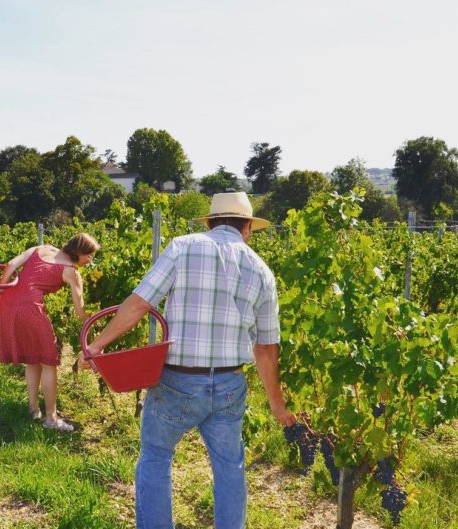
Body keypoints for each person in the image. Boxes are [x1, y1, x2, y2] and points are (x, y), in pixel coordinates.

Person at [79, 192, 296, 528]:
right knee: (230, 467)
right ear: (249, 228)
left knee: (156, 457)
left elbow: (138, 306)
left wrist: (97, 346)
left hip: (176, 381)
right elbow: (267, 349)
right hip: (229, 384)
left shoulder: (183, 247)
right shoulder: (262, 271)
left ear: (209, 222)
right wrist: (277, 405)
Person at [0, 233, 100, 432]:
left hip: (8, 303)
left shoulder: (42, 248)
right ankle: (51, 418)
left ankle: (33, 409)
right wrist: (95, 316)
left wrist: (0, 291)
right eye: (90, 256)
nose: (90, 261)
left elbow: (10, 264)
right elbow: (79, 312)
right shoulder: (70, 272)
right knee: (49, 361)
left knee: (33, 359)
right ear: (79, 253)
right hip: (30, 308)